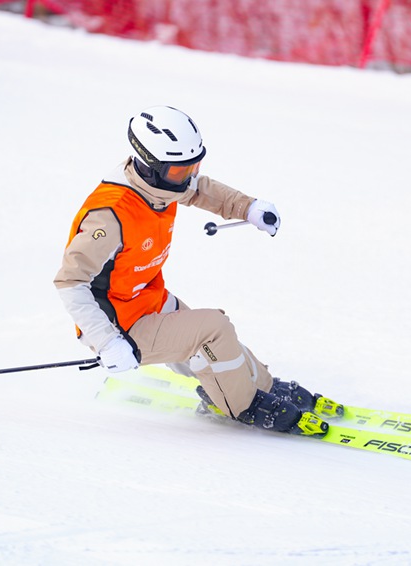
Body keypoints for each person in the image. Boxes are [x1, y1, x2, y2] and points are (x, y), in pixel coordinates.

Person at [54, 106, 342, 437]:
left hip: (145, 301)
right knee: (212, 330)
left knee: (213, 345)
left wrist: (248, 208)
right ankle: (244, 406)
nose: (189, 176)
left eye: (194, 166)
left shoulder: (159, 186)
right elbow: (70, 282)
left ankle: (260, 384)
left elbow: (200, 190)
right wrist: (107, 342)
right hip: (117, 325)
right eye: (181, 170)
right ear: (150, 166)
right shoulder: (109, 215)